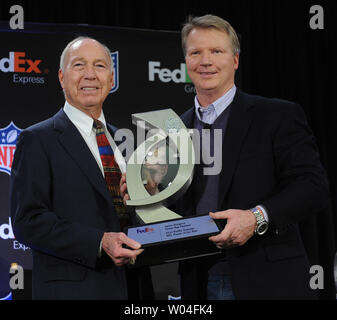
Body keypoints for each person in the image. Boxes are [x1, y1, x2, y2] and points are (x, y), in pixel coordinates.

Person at [120, 14, 330, 300]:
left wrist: (255, 218)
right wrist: (145, 192)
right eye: (196, 52)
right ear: (186, 63)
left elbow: (312, 187)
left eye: (216, 51)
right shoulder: (171, 132)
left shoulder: (277, 116)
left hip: (267, 278)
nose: (206, 61)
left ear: (235, 60)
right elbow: (169, 213)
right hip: (198, 280)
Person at [10, 37, 152, 300]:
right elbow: (27, 222)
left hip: (133, 287)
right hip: (74, 290)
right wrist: (99, 242)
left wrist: (147, 200)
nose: (90, 74)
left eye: (99, 66)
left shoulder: (124, 140)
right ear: (62, 78)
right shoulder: (37, 139)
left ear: (111, 79)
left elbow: (130, 217)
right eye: (79, 65)